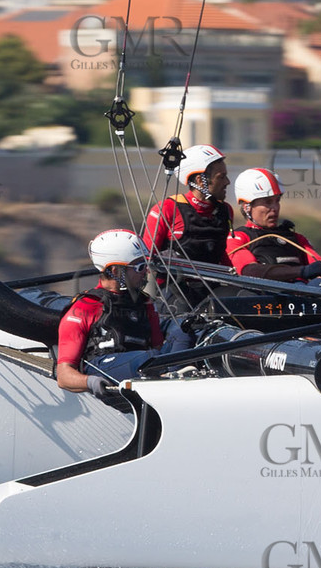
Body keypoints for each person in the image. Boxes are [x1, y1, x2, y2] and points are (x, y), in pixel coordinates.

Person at [56, 229, 163, 395]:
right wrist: (89, 382)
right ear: (116, 272)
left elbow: (160, 348)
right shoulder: (84, 308)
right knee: (149, 360)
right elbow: (63, 376)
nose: (146, 272)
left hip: (142, 367)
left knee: (184, 336)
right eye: (140, 267)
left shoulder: (146, 304)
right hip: (104, 369)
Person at [143, 143, 233, 303]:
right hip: (174, 294)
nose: (227, 182)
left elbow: (223, 255)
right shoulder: (167, 209)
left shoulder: (226, 211)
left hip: (213, 291)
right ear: (200, 181)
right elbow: (145, 261)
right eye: (221, 177)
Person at [225, 167, 321, 283]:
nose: (275, 208)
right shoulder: (238, 238)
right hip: (266, 297)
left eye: (277, 201)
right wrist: (301, 271)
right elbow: (251, 271)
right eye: (267, 202)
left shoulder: (296, 239)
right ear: (247, 207)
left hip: (302, 295)